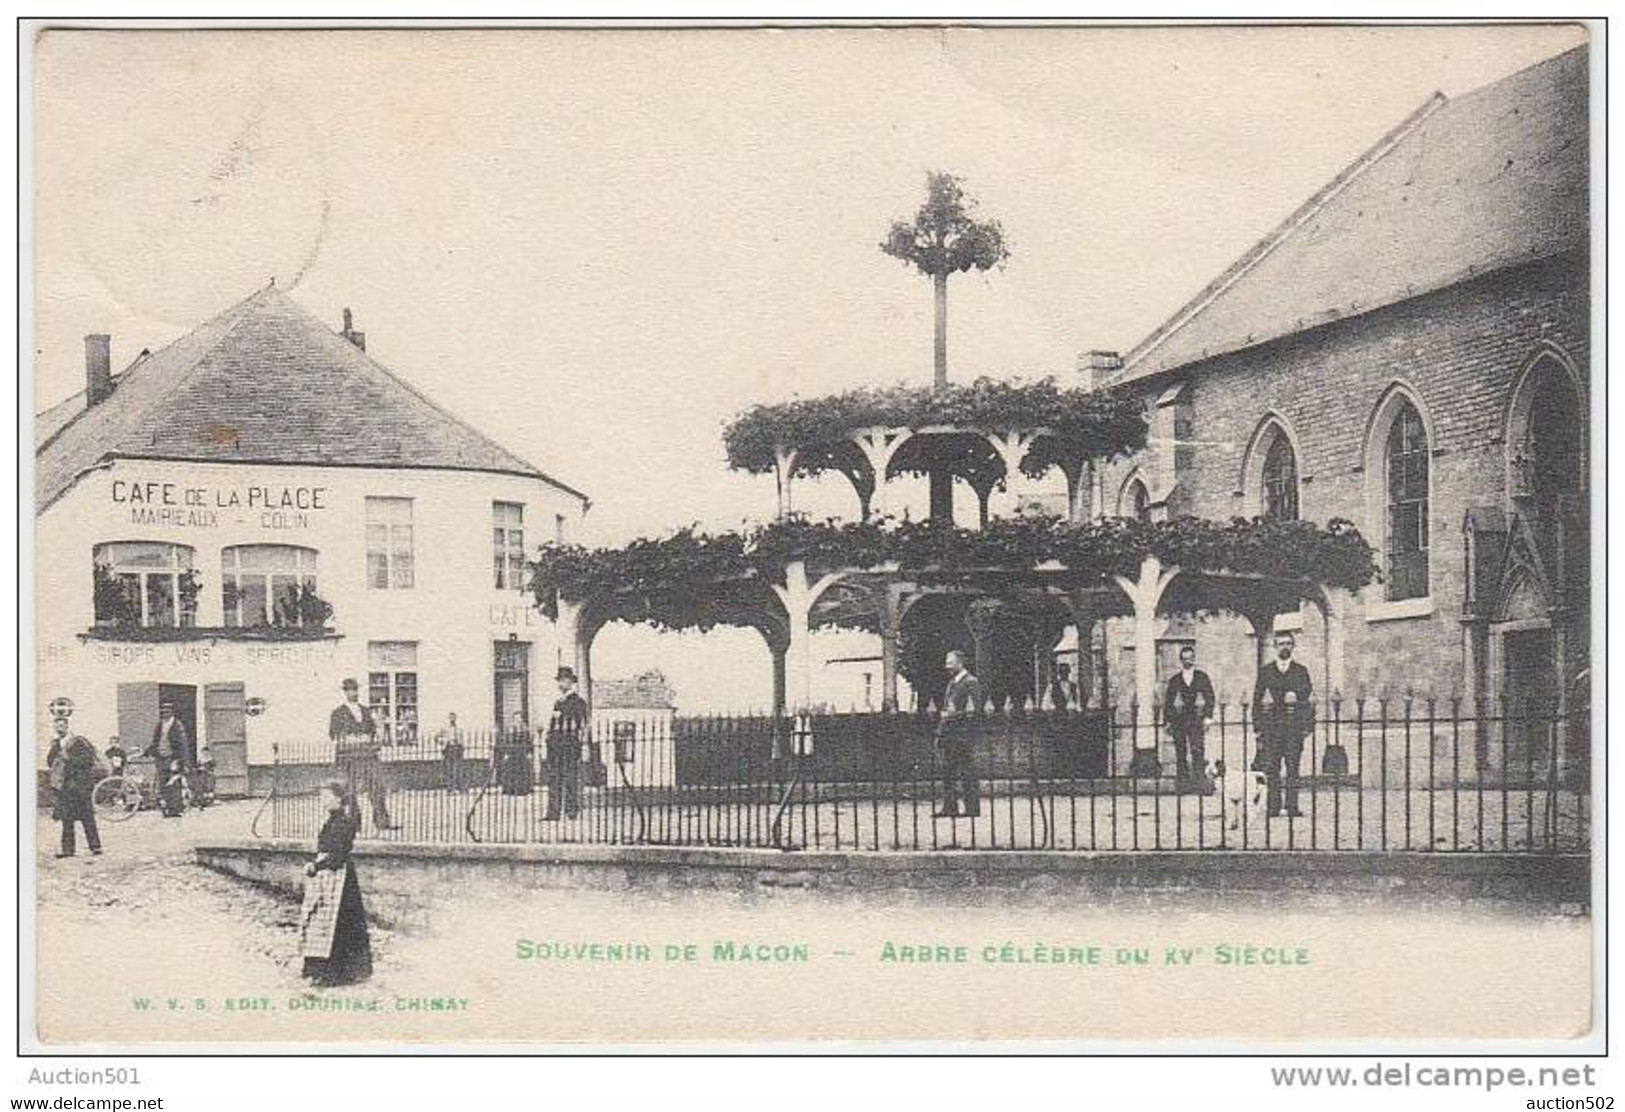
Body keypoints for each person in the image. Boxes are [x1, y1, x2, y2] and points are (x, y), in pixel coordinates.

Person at [300, 781, 373, 986]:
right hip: (327, 876)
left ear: (338, 798)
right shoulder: (332, 820)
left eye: (326, 796)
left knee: (338, 925)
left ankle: (340, 972)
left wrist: (316, 866)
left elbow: (338, 855)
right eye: (321, 796)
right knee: (321, 922)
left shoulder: (344, 823)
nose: (323, 800)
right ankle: (321, 969)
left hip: (339, 878)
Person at [1252, 631, 1315, 817]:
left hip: (1294, 728)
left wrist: (1307, 726)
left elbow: (1308, 701)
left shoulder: (1301, 671)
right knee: (1272, 768)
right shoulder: (1266, 672)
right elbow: (1257, 700)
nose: (1285, 647)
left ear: (1293, 646)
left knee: (1293, 767)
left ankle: (1292, 806)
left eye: (1288, 643)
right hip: (1272, 729)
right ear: (1275, 647)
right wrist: (1258, 728)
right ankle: (1273, 806)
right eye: (1281, 644)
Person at [328, 679, 397, 830]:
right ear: (345, 692)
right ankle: (353, 824)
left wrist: (372, 737)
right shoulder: (338, 713)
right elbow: (334, 735)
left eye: (355, 689)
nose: (353, 692)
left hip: (367, 755)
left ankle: (382, 822)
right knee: (350, 790)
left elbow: (372, 732)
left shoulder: (366, 711)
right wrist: (354, 738)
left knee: (377, 786)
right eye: (350, 690)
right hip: (348, 757)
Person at [934, 650, 983, 819]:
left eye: (950, 662)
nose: (947, 666)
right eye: (947, 662)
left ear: (960, 663)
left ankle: (972, 808)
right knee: (948, 771)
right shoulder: (952, 683)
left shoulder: (971, 682)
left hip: (962, 734)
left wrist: (953, 715)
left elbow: (974, 711)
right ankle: (950, 807)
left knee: (966, 771)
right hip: (949, 734)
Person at [46, 717, 103, 858]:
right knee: (67, 819)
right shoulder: (57, 744)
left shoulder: (78, 741)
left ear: (67, 726)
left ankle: (95, 846)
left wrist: (69, 758)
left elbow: (87, 761)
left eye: (61, 726)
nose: (59, 729)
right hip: (66, 787)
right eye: (57, 727)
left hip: (80, 785)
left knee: (87, 817)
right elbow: (50, 762)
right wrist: (54, 746)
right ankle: (68, 850)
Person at [1164, 645, 1216, 789]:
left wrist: (1208, 717)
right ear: (1181, 660)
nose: (1188, 661)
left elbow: (1210, 697)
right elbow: (1168, 702)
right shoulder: (1175, 680)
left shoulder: (1202, 677)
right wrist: (1167, 721)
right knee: (1180, 752)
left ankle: (1199, 782)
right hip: (1178, 721)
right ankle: (1183, 783)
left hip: (1196, 720)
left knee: (1197, 750)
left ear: (1194, 659)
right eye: (1185, 659)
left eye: (1190, 658)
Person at [544, 667, 589, 820]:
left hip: (570, 745)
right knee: (554, 778)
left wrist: (579, 743)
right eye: (559, 681)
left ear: (571, 682)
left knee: (570, 778)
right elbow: (553, 725)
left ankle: (571, 811)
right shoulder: (558, 702)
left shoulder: (578, 702)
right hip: (556, 746)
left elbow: (582, 726)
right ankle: (553, 813)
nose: (560, 684)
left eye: (563, 680)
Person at [143, 701, 190, 818]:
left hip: (173, 758)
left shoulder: (177, 725)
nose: (165, 714)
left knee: (174, 784)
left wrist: (183, 761)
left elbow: (183, 744)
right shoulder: (160, 725)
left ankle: (176, 809)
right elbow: (155, 741)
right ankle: (166, 809)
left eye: (167, 712)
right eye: (163, 712)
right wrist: (147, 752)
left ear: (172, 712)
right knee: (163, 784)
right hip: (161, 758)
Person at [438, 713, 466, 793]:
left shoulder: (458, 729)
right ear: (448, 719)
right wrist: (443, 742)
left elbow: (461, 739)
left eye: (454, 718)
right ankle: (450, 788)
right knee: (449, 769)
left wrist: (461, 746)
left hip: (457, 748)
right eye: (451, 718)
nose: (452, 719)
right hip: (448, 748)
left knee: (457, 769)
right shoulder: (445, 729)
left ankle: (458, 787)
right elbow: (436, 737)